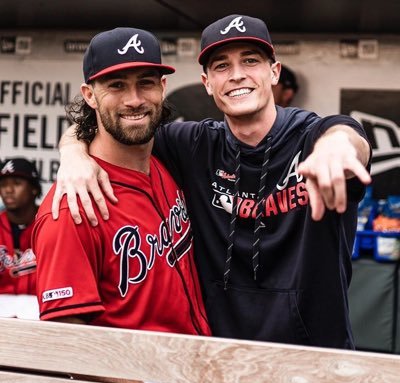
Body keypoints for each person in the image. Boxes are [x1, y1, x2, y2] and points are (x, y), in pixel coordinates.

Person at [54, 15, 371, 350]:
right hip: (219, 367)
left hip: (316, 362)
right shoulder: (191, 145)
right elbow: (120, 124)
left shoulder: (312, 137)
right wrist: (72, 150)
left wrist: (338, 147)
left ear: (274, 72)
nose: (236, 74)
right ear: (207, 82)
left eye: (250, 60)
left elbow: (346, 135)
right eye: (222, 65)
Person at [32, 27, 211, 342]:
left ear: (162, 87)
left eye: (146, 83)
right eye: (117, 85)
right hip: (140, 382)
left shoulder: (167, 160)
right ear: (89, 95)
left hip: (200, 368)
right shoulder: (72, 208)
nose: (135, 100)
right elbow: (68, 340)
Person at [0, 157, 41, 319]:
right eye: (3, 185)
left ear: (34, 189)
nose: (8, 190)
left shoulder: (52, 225)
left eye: (17, 183)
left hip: (39, 310)